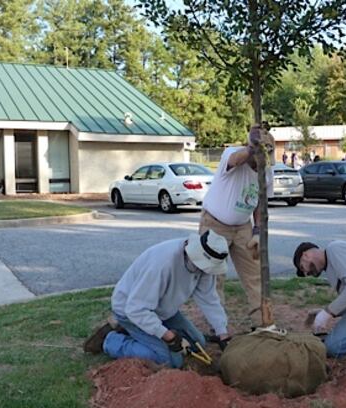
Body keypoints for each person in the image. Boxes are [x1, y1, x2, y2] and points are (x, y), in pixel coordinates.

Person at [83, 230, 232, 368]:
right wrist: (168, 336)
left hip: (163, 310)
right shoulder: (161, 265)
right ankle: (111, 341)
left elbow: (209, 298)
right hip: (130, 312)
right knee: (170, 360)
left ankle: (141, 332)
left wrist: (222, 333)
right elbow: (136, 309)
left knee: (199, 343)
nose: (204, 271)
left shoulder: (205, 265)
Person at [198, 124, 273, 313]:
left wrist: (257, 230)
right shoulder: (233, 155)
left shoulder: (267, 171)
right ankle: (218, 327)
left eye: (265, 158)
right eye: (257, 158)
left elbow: (260, 203)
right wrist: (251, 146)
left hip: (243, 227)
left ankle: (261, 322)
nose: (260, 165)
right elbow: (235, 160)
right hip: (214, 224)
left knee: (255, 274)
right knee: (214, 276)